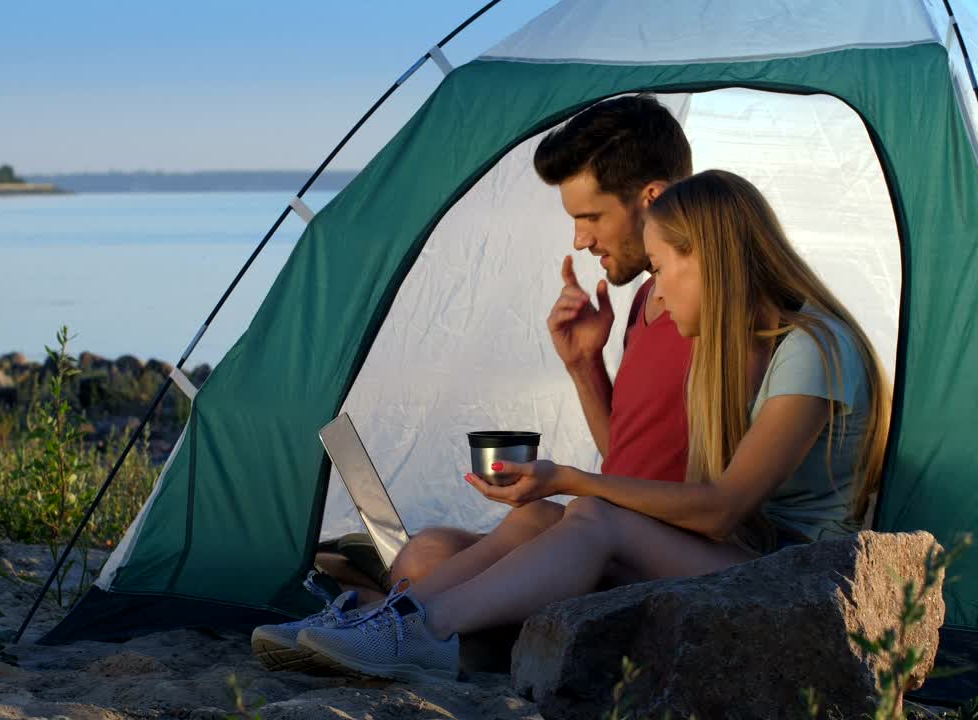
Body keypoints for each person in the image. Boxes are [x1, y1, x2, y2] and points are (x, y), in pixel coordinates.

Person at [288, 169, 893, 683]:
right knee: (538, 517)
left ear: (705, 257)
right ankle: (392, 622)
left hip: (801, 584)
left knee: (592, 516)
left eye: (660, 267)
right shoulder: (745, 346)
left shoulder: (814, 348)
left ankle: (426, 629)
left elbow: (720, 510)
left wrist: (573, 479)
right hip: (745, 560)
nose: (658, 293)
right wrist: (573, 429)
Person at [251, 94, 696, 671]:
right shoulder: (643, 301)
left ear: (651, 199)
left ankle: (397, 627)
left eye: (591, 217)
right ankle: (391, 626)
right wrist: (585, 367)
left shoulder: (705, 308)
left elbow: (707, 496)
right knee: (427, 549)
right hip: (617, 526)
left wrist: (569, 482)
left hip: (649, 542)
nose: (580, 241)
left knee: (540, 523)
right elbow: (633, 460)